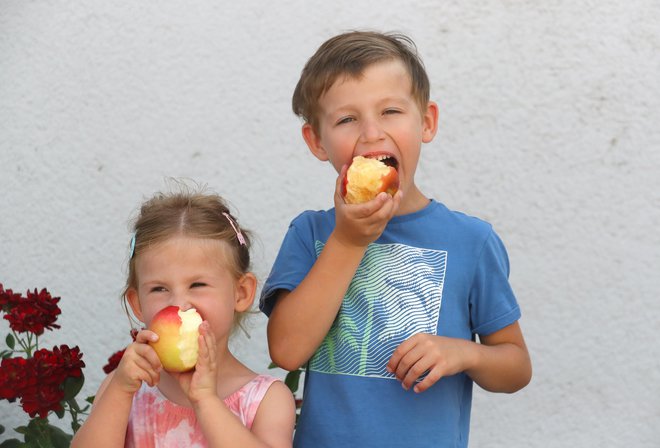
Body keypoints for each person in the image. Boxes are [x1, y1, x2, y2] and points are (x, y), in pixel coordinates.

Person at [259, 31, 532, 447]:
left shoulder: (470, 240)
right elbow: (287, 351)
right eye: (347, 119)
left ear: (426, 122)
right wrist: (347, 242)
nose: (371, 133)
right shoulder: (311, 232)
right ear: (317, 141)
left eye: (390, 111)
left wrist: (465, 353)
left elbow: (516, 367)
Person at [73, 185, 296, 447]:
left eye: (197, 285)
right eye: (159, 289)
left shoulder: (266, 399)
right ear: (137, 303)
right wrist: (120, 391)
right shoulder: (126, 389)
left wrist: (205, 400)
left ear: (241, 293)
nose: (179, 305)